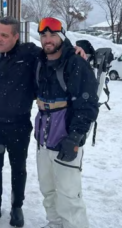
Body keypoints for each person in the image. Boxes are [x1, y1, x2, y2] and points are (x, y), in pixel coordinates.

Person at [0, 16, 87, 228]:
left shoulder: (29, 53)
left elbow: (55, 49)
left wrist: (77, 48)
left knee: (18, 168)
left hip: (19, 124)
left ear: (16, 36)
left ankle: (17, 206)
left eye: (4, 35)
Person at [34, 17, 99, 228]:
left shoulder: (75, 63)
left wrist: (75, 137)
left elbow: (88, 105)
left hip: (66, 138)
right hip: (44, 139)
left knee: (69, 195)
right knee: (48, 189)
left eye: (52, 35)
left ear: (62, 36)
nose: (47, 40)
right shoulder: (40, 61)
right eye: (44, 36)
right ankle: (54, 224)